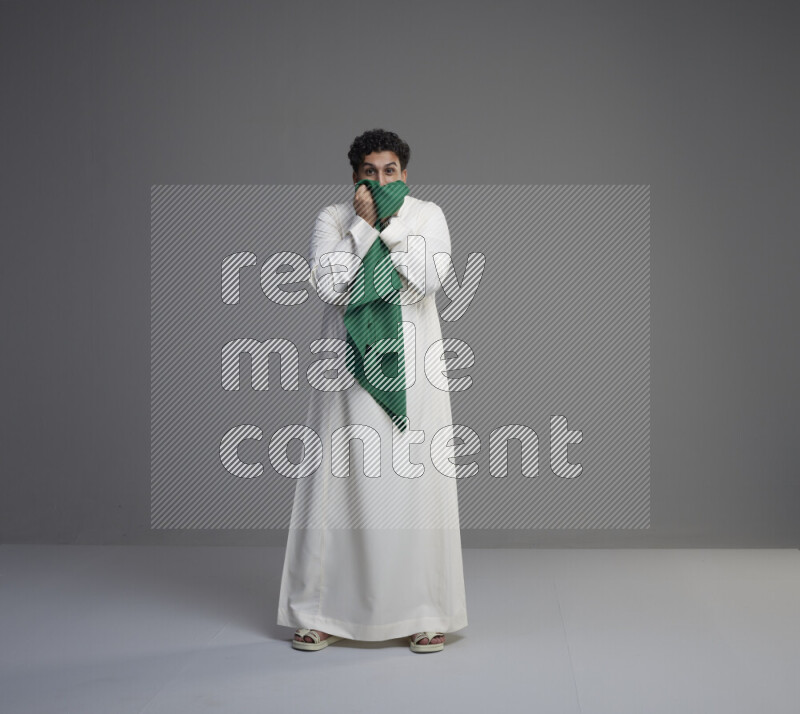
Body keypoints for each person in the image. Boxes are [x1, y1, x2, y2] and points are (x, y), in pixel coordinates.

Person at [276, 128, 468, 653]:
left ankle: (426, 613)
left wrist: (390, 224)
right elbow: (328, 283)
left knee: (415, 486)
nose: (380, 180)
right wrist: (362, 227)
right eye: (369, 172)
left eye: (390, 172)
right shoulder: (333, 219)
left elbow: (427, 277)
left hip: (413, 371)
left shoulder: (428, 216)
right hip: (346, 368)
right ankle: (320, 612)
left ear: (405, 174)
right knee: (337, 487)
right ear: (355, 176)